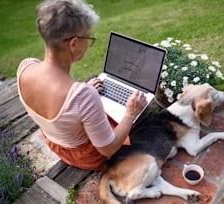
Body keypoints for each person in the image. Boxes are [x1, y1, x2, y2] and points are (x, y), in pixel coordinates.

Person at [17, 0, 147, 170]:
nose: (89, 43)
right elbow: (107, 148)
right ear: (74, 43)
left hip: (56, 143)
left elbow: (64, 108)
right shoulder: (83, 96)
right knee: (141, 125)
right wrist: (131, 113)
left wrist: (81, 99)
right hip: (87, 156)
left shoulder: (25, 67)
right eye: (89, 37)